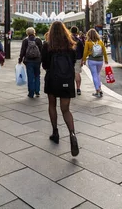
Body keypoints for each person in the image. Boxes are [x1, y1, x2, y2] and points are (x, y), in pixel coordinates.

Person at [41, 21, 79, 156]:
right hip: (67, 80)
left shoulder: (47, 46)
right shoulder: (70, 46)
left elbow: (44, 64)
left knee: (52, 105)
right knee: (66, 110)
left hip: (52, 79)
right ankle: (72, 134)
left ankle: (55, 132)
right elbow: (74, 62)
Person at [81, 28, 108, 98]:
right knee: (98, 74)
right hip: (100, 61)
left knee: (94, 75)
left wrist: (83, 59)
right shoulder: (100, 41)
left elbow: (85, 52)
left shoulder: (88, 42)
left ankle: (98, 90)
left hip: (92, 60)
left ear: (88, 35)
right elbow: (104, 51)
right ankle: (100, 89)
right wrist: (106, 59)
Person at [18, 27, 43, 98]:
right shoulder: (38, 40)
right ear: (34, 32)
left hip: (28, 61)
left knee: (30, 77)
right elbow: (42, 50)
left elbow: (22, 51)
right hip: (37, 61)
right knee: (37, 76)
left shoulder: (25, 40)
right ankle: (37, 91)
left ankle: (31, 93)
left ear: (27, 33)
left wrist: (20, 59)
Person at [70, 26, 84, 95]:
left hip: (69, 59)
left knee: (69, 73)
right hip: (78, 58)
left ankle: (71, 87)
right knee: (77, 73)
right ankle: (78, 88)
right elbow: (82, 51)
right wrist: (82, 60)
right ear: (77, 31)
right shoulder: (79, 40)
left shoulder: (68, 39)